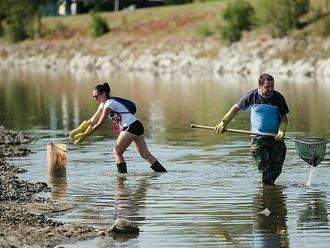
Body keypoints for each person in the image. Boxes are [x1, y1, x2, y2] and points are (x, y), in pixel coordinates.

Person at [69, 82, 167, 174]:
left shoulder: (109, 103)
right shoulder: (103, 105)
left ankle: (122, 178)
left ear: (103, 94)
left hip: (130, 126)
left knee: (117, 153)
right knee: (145, 155)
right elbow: (92, 120)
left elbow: (99, 124)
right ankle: (163, 173)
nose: (95, 99)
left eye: (96, 96)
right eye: (93, 97)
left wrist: (85, 135)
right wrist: (78, 130)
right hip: (137, 125)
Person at [214, 73, 289, 185]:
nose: (270, 89)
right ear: (259, 86)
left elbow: (284, 119)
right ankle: (267, 193)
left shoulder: (278, 98)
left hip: (275, 137)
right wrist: (223, 122)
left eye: (272, 86)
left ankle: (270, 189)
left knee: (276, 170)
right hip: (258, 137)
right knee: (265, 168)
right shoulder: (252, 96)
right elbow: (236, 108)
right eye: (267, 87)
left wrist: (281, 131)